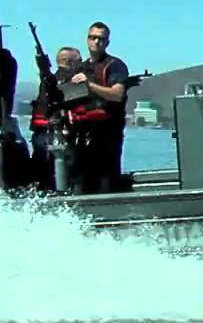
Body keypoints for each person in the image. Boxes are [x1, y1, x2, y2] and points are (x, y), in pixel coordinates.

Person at [69, 21, 130, 194]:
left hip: (107, 134)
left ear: (107, 42)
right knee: (80, 182)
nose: (96, 42)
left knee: (105, 182)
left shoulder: (115, 65)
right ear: (87, 40)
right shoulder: (80, 68)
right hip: (82, 133)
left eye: (101, 39)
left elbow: (117, 94)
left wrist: (89, 85)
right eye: (93, 37)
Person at [28, 45, 82, 190]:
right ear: (70, 62)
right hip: (56, 133)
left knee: (42, 170)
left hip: (41, 132)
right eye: (79, 61)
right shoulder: (67, 81)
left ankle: (42, 190)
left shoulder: (48, 81)